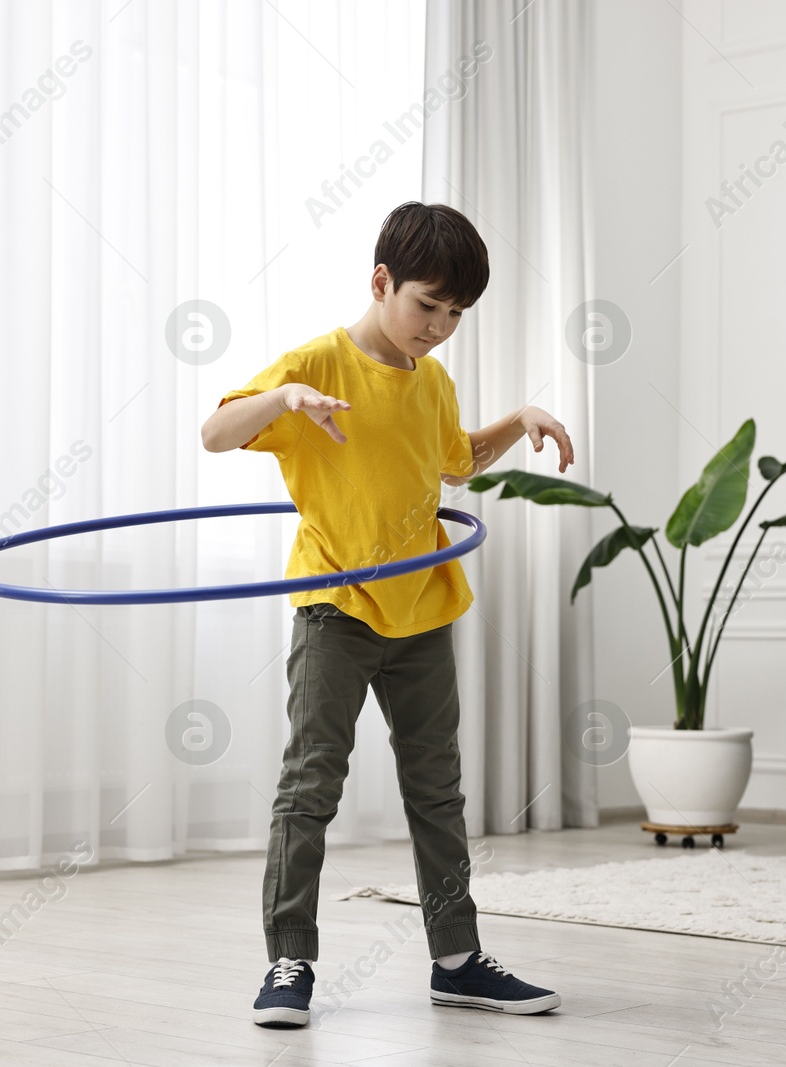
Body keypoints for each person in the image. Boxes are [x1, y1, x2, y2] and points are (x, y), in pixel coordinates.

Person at [201, 201, 573, 1028]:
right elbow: (216, 432)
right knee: (311, 783)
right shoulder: (319, 365)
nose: (438, 327)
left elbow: (458, 464)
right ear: (382, 282)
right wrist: (287, 397)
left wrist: (521, 419)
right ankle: (289, 959)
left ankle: (457, 959)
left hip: (422, 607)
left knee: (436, 787)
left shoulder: (431, 380)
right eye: (425, 305)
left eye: (454, 314)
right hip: (337, 606)